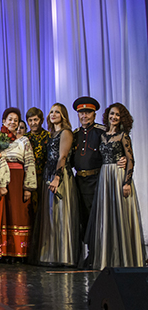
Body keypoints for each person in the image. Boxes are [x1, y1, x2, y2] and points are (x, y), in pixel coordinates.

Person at [86, 103, 143, 269]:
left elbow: (130, 160)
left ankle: (123, 259)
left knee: (120, 215)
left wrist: (127, 182)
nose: (114, 117)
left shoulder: (123, 136)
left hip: (118, 176)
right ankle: (106, 259)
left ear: (122, 118)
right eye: (112, 114)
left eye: (117, 115)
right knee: (106, 216)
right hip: (105, 176)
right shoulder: (102, 135)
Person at [0, 108, 37, 261]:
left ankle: (18, 252)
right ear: (4, 121)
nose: (13, 122)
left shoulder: (24, 140)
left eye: (16, 120)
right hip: (0, 179)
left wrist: (28, 187)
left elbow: (29, 162)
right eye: (10, 119)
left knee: (17, 215)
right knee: (2, 216)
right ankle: (1, 251)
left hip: (18, 180)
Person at [33, 103, 79, 267]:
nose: (53, 114)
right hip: (49, 174)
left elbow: (62, 157)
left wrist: (57, 178)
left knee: (60, 214)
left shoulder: (66, 132)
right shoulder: (52, 134)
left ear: (63, 115)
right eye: (51, 112)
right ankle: (51, 254)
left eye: (57, 112)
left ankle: (63, 256)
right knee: (51, 215)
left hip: (60, 176)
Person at [71, 96, 104, 252]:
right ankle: (85, 253)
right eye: (81, 113)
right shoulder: (75, 134)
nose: (84, 116)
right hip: (78, 181)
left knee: (94, 217)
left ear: (94, 115)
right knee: (81, 216)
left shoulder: (101, 132)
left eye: (88, 112)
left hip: (96, 180)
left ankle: (95, 252)